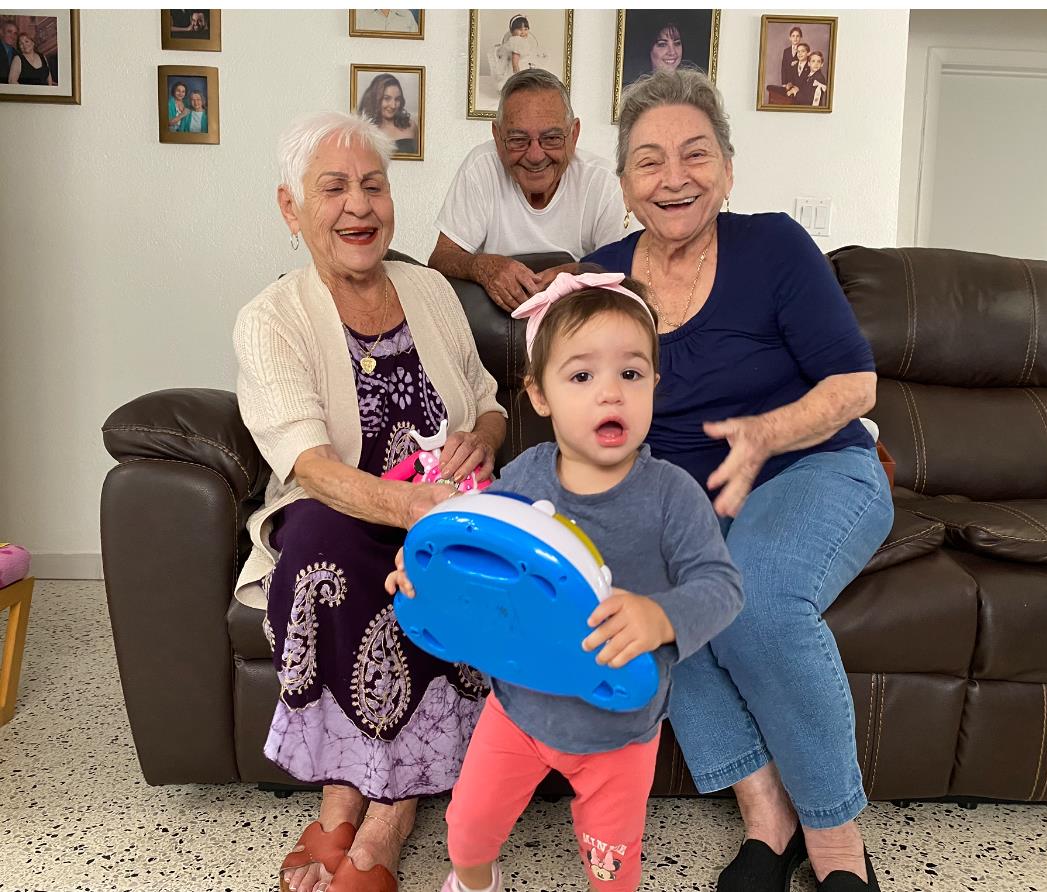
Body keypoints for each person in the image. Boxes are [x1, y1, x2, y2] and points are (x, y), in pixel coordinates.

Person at [583, 69, 894, 892]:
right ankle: (767, 819)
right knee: (649, 602)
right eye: (648, 160)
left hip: (813, 465)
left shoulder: (774, 248)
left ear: (726, 168)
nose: (673, 177)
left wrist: (766, 432)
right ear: (624, 184)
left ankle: (835, 842)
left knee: (753, 601)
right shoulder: (599, 282)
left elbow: (855, 386)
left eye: (694, 154)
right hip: (688, 500)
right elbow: (584, 416)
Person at [386, 271, 744, 892]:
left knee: (612, 869)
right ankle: (475, 884)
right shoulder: (525, 477)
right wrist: (428, 582)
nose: (610, 393)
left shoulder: (672, 496)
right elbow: (479, 557)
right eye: (581, 376)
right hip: (518, 709)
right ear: (539, 394)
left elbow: (723, 587)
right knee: (466, 832)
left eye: (630, 373)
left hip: (618, 733)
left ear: (655, 386)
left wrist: (662, 616)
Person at [233, 111, 507, 892]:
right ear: (291, 208)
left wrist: (481, 439)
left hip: (447, 505)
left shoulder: (430, 289)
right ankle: (342, 792)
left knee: (445, 564)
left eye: (373, 185)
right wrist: (407, 509)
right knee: (323, 550)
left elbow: (488, 400)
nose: (359, 205)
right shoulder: (271, 318)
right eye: (333, 188)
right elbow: (310, 466)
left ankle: (389, 810)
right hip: (345, 505)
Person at [429, 69, 627, 312]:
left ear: (574, 134)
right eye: (518, 140)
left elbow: (623, 270)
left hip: (579, 319)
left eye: (551, 138)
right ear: (497, 137)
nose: (535, 156)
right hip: (495, 324)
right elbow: (441, 258)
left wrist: (575, 273)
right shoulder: (481, 167)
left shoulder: (604, 182)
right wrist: (483, 266)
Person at [358, 73, 418, 155]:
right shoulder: (364, 131)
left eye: (397, 99)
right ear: (375, 98)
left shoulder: (411, 126)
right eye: (387, 98)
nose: (393, 105)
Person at [488, 14, 546, 92]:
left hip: (521, 65)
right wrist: (517, 74)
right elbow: (515, 60)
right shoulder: (517, 42)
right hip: (517, 67)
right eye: (519, 29)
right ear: (512, 31)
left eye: (525, 29)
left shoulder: (519, 41)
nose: (523, 32)